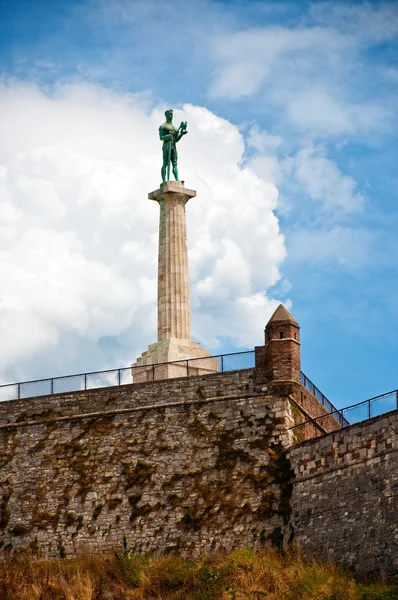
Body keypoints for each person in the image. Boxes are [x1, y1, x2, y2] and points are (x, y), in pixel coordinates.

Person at [159, 109, 187, 183]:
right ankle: (164, 180)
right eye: (170, 114)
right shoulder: (163, 126)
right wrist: (167, 136)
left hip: (173, 146)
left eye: (172, 114)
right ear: (167, 115)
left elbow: (176, 139)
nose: (171, 115)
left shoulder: (175, 128)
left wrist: (181, 134)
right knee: (165, 163)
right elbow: (161, 137)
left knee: (175, 163)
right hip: (166, 145)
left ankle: (177, 179)